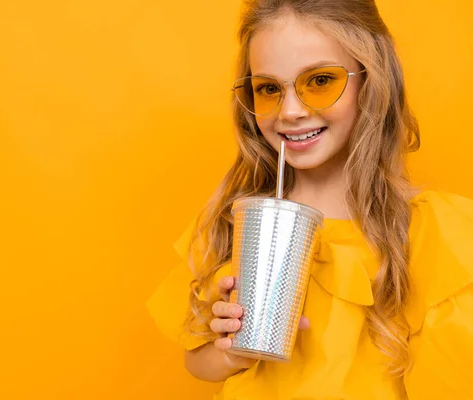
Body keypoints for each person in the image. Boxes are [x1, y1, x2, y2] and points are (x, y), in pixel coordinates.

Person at [146, 0, 473, 398]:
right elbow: (196, 360)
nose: (291, 111)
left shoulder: (429, 232)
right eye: (268, 88)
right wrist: (230, 352)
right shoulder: (238, 221)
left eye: (319, 81)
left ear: (371, 79)